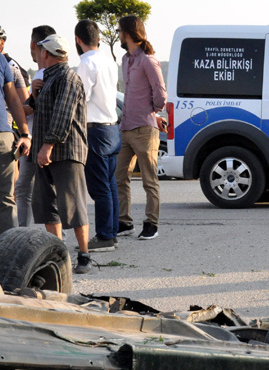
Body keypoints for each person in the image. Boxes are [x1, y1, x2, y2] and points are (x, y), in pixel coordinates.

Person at [28, 34, 92, 274]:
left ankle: (84, 255)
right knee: (47, 206)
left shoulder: (67, 77)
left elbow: (62, 115)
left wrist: (47, 146)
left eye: (40, 51)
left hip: (65, 151)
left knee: (72, 205)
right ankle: (59, 254)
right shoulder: (48, 79)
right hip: (46, 151)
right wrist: (34, 96)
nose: (38, 55)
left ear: (47, 53)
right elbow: (36, 110)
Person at [115, 15, 167, 240]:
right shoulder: (126, 60)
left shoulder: (148, 60)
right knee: (119, 177)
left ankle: (151, 223)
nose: (117, 34)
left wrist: (151, 113)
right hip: (125, 128)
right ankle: (124, 222)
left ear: (128, 33)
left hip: (145, 130)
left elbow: (161, 96)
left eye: (119, 31)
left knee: (149, 179)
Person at [0, 12, 32, 236]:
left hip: (1, 137)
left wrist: (24, 132)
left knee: (5, 198)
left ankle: (8, 254)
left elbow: (13, 98)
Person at [75, 19, 120, 251]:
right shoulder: (109, 61)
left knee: (100, 187)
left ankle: (104, 237)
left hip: (96, 130)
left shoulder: (86, 63)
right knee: (110, 184)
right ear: (99, 38)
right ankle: (111, 232)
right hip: (112, 126)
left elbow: (81, 98)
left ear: (78, 40)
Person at [17, 25, 56, 228]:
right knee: (37, 189)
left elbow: (34, 108)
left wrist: (18, 107)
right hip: (42, 139)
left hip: (37, 140)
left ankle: (25, 232)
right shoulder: (51, 73)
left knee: (26, 189)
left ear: (34, 45)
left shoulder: (43, 75)